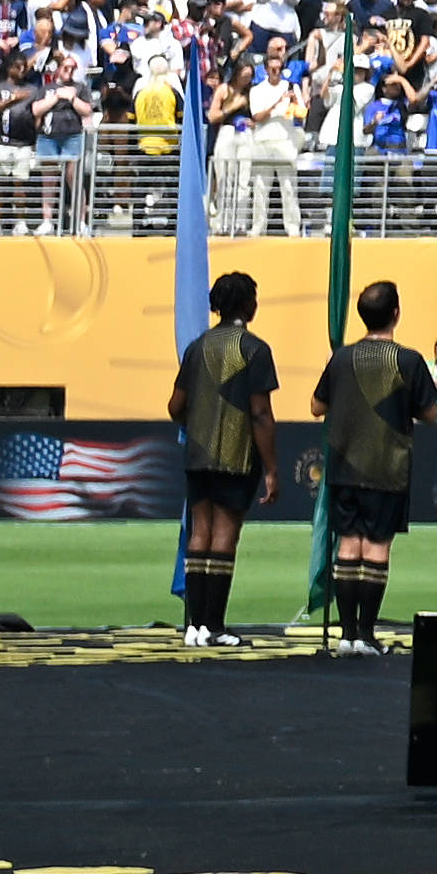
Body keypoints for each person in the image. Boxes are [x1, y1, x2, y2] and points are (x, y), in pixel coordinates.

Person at [314, 278, 436, 655]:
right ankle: (366, 635)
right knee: (377, 548)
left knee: (348, 547)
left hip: (345, 465)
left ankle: (347, 634)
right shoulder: (409, 361)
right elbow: (430, 413)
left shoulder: (341, 358)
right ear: (396, 314)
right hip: (388, 467)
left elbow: (317, 407)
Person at [168, 272, 279, 644]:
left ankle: (194, 626)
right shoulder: (255, 349)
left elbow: (175, 406)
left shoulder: (197, 347)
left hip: (198, 454)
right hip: (237, 455)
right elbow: (260, 413)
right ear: (247, 305)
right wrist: (272, 469)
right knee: (225, 536)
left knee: (199, 532)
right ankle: (214, 625)